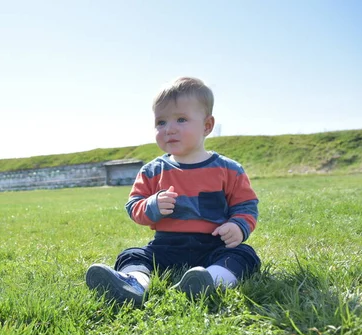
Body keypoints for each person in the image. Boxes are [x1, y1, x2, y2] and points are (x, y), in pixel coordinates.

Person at [86, 77, 260, 307]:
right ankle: (134, 283)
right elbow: (134, 205)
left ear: (207, 126)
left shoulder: (228, 169)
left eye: (181, 119)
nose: (169, 129)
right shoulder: (152, 171)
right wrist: (152, 205)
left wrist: (238, 226)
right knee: (133, 255)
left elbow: (246, 205)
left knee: (244, 255)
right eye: (161, 122)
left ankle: (211, 280)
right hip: (165, 247)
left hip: (213, 246)